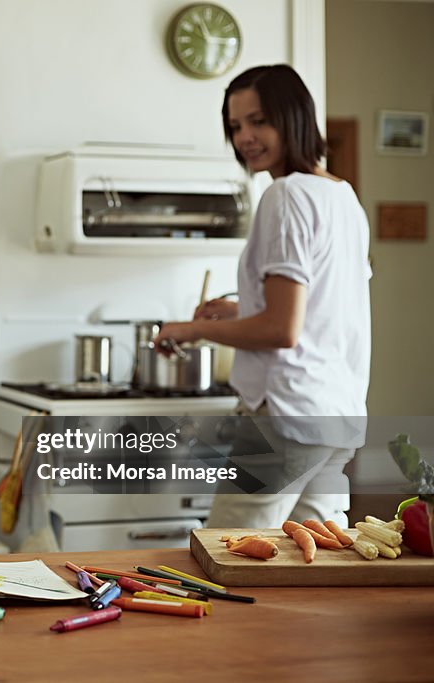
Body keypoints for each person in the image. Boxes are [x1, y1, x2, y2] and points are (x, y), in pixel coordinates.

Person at [154, 64, 371, 529]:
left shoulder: (286, 196)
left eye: (259, 121)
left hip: (287, 416)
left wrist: (191, 330)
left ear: (292, 118)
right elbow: (323, 310)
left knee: (226, 553)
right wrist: (239, 311)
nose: (245, 137)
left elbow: (281, 329)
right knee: (315, 561)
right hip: (336, 411)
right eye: (235, 127)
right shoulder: (342, 196)